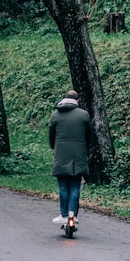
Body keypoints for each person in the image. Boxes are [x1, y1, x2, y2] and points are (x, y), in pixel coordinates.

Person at [48, 90, 96, 231]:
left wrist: (54, 146)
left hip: (61, 155)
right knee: (75, 186)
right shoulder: (84, 115)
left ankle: (63, 215)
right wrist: (84, 148)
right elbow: (89, 136)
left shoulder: (55, 115)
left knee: (63, 187)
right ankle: (73, 216)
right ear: (77, 100)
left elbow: (51, 135)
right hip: (78, 156)